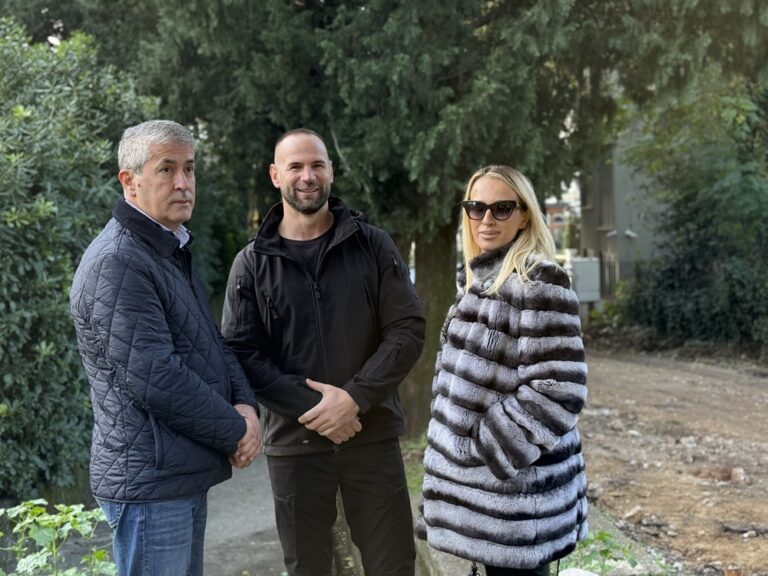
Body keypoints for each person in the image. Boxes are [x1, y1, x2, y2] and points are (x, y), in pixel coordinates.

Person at [221, 128, 426, 576]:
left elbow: (407, 330)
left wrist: (355, 398)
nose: (307, 176)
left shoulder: (373, 246)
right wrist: (317, 408)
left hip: (370, 435)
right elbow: (242, 353)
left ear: (331, 171)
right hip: (294, 446)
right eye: (295, 166)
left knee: (394, 565)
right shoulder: (251, 263)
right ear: (275, 175)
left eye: (317, 165)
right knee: (308, 568)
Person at [69, 119, 262, 576]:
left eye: (189, 169)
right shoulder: (118, 260)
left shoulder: (166, 249)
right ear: (130, 181)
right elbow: (155, 376)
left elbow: (210, 342)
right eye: (167, 169)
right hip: (150, 486)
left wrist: (246, 405)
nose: (183, 182)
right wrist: (234, 430)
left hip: (174, 478)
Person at [418, 165, 588, 576]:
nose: (487, 219)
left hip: (516, 507)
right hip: (489, 504)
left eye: (502, 208)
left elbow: (558, 390)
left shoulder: (539, 281)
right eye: (476, 208)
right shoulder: (479, 281)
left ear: (524, 215)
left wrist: (486, 449)